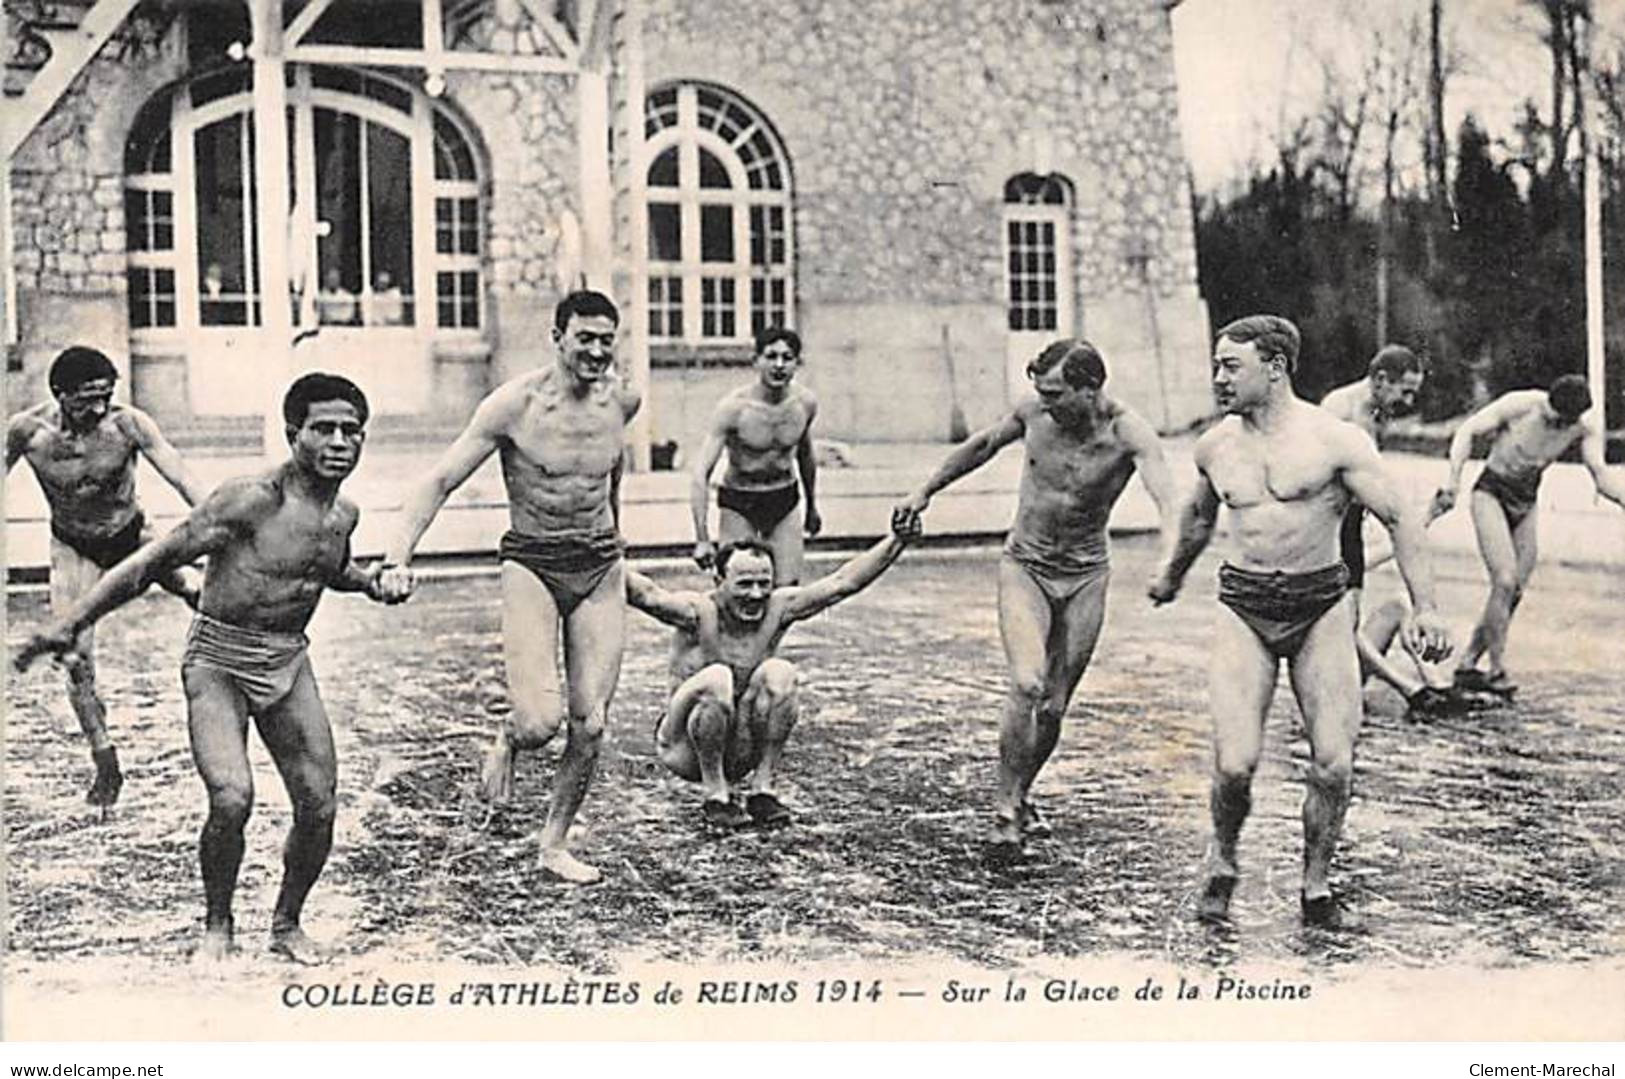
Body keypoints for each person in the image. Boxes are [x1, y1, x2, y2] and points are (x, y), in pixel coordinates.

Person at [14, 373, 402, 963]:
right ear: (293, 432)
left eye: (352, 431)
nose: (340, 442)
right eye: (324, 429)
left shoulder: (342, 514)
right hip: (217, 659)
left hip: (286, 660)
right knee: (231, 798)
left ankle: (286, 924)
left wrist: (372, 583)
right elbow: (148, 563)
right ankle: (217, 925)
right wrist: (70, 620)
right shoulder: (248, 499)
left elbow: (327, 569)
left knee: (320, 803)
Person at [1148, 315, 1450, 928]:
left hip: (1321, 609)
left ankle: (1315, 883)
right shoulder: (1215, 446)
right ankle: (1224, 859)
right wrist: (1172, 574)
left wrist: (1428, 606)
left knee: (1333, 762)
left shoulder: (1334, 440)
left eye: (1231, 366)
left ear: (1276, 367)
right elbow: (1200, 517)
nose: (1218, 379)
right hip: (1245, 608)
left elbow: (1400, 518)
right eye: (1216, 366)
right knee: (1235, 763)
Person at [379, 290, 641, 885]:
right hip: (532, 563)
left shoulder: (623, 399)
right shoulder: (512, 407)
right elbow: (440, 480)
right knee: (538, 722)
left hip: (600, 566)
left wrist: (618, 537)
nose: (597, 350)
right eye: (585, 338)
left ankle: (553, 842)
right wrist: (397, 554)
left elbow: (609, 470)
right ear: (557, 337)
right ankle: (508, 737)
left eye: (607, 339)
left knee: (591, 722)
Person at [893, 339, 1179, 854]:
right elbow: (981, 446)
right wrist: (924, 490)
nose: (1044, 404)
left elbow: (1166, 493)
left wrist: (1170, 558)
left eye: (1056, 394)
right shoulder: (1033, 412)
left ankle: (1022, 793)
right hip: (1026, 565)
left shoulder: (1128, 432)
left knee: (1053, 706)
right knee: (1026, 683)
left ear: (1091, 389)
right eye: (1040, 393)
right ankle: (1004, 810)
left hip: (1087, 573)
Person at [6, 346, 206, 807]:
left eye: (105, 396)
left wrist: (224, 522)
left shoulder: (128, 424)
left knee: (197, 591)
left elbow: (181, 475)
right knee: (74, 657)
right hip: (73, 547)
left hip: (133, 538)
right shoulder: (27, 432)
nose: (97, 408)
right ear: (59, 395)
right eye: (85, 400)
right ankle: (106, 761)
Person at [626, 515, 919, 828]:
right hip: (684, 749)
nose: (755, 594)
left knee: (781, 672)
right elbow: (647, 595)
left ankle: (762, 788)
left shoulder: (778, 608)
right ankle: (716, 795)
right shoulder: (697, 612)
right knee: (717, 678)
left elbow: (842, 583)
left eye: (763, 584)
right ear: (719, 581)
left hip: (738, 746)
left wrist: (897, 541)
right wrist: (593, 552)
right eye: (743, 584)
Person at [1430, 375, 1625, 696]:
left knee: (1514, 589)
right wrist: (1454, 478)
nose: (1557, 426)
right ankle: (1496, 669)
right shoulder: (1521, 405)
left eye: (1563, 422)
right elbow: (1467, 430)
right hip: (1490, 493)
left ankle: (1468, 662)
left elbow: (1600, 475)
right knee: (1504, 581)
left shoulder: (1582, 427)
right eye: (1553, 418)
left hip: (1526, 501)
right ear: (1547, 401)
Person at [1321, 345, 1459, 717]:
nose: (1409, 400)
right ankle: (1414, 691)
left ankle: (1438, 688)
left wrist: (1426, 516)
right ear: (1381, 380)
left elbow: (1376, 551)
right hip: (1326, 522)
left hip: (1350, 523)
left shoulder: (1377, 414)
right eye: (1406, 390)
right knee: (1338, 625)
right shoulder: (1339, 408)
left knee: (1397, 606)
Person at [690, 326, 821, 585]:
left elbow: (805, 455)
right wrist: (702, 538)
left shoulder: (804, 404)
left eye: (787, 358)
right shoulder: (733, 409)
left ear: (797, 363)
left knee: (787, 591)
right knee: (735, 585)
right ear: (756, 361)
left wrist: (812, 506)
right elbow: (700, 475)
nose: (779, 365)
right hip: (740, 502)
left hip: (784, 498)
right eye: (771, 357)